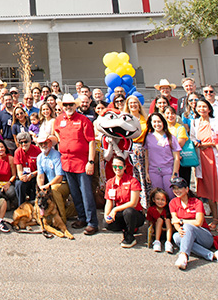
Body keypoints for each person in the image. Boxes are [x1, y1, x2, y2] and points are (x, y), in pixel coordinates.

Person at [54, 93, 98, 235]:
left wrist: (91, 161)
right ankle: (82, 217)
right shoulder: (59, 120)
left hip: (82, 162)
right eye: (65, 105)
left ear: (75, 106)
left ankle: (92, 222)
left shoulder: (84, 120)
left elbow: (91, 141)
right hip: (67, 162)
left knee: (86, 194)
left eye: (70, 105)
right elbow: (58, 135)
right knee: (75, 193)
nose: (68, 107)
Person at [170, 176, 218, 270]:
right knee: (176, 237)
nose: (177, 191)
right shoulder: (173, 202)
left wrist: (181, 222)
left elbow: (198, 222)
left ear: (187, 189)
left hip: (204, 236)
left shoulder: (197, 202)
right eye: (174, 188)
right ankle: (213, 255)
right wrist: (179, 229)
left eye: (179, 188)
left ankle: (183, 255)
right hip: (187, 235)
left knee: (188, 226)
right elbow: (174, 220)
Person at [189, 99, 218, 233]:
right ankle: (215, 218)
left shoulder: (217, 122)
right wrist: (196, 143)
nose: (201, 109)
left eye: (204, 107)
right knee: (208, 189)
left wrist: (209, 144)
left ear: (209, 109)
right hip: (203, 158)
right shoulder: (195, 122)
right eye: (199, 107)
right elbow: (192, 137)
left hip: (216, 156)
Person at [103, 155, 144, 247]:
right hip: (121, 212)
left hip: (134, 213)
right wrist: (107, 215)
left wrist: (115, 210)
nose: (117, 168)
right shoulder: (110, 182)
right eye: (115, 166)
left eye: (120, 166)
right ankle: (127, 228)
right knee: (106, 223)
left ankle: (130, 237)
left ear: (125, 167)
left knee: (128, 212)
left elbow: (133, 203)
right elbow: (108, 201)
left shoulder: (133, 181)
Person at [144, 112, 181, 200]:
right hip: (154, 170)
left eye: (159, 122)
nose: (157, 124)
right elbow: (146, 156)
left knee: (170, 194)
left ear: (163, 122)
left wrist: (174, 173)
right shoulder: (148, 137)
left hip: (168, 170)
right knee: (158, 195)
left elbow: (176, 158)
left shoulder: (171, 137)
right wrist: (147, 172)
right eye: (154, 122)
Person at [35, 132, 70, 219]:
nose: (43, 145)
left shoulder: (56, 155)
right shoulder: (39, 157)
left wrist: (46, 186)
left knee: (54, 190)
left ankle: (62, 217)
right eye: (41, 144)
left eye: (45, 143)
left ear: (50, 143)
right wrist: (40, 187)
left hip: (63, 183)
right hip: (50, 184)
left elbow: (59, 177)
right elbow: (40, 176)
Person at [13, 131, 39, 207]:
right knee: (19, 184)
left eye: (26, 142)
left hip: (35, 175)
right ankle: (21, 206)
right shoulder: (17, 152)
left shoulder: (37, 150)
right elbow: (19, 169)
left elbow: (41, 168)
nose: (24, 144)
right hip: (25, 176)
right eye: (21, 142)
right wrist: (22, 177)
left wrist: (32, 175)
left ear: (30, 141)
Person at [147, 187, 174, 253]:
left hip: (167, 231)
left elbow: (172, 222)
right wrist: (151, 228)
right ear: (153, 199)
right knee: (159, 220)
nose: (160, 202)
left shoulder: (168, 210)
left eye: (163, 200)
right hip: (156, 230)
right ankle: (157, 241)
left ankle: (168, 242)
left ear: (166, 201)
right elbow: (150, 221)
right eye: (158, 199)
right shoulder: (151, 209)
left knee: (167, 220)